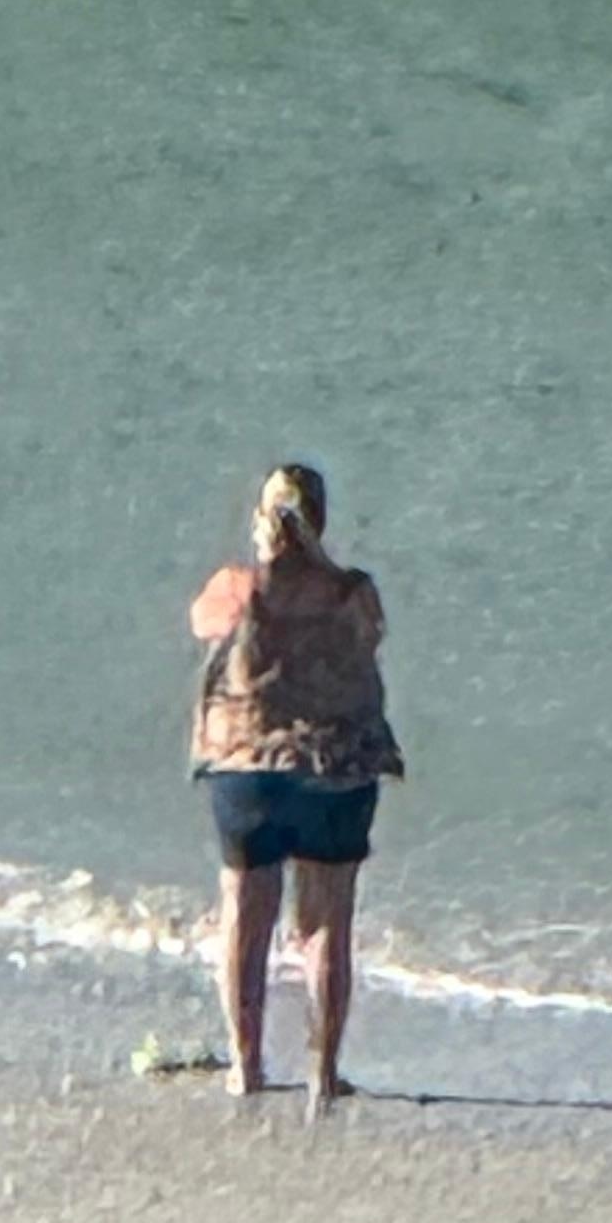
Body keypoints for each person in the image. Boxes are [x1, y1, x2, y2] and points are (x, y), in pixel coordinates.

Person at [188, 463, 402, 1111]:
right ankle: (322, 1070)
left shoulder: (238, 587)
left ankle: (244, 1066)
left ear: (263, 518)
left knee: (244, 919)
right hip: (336, 768)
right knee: (326, 924)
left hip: (247, 766)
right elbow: (371, 637)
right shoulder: (354, 591)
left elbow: (203, 626)